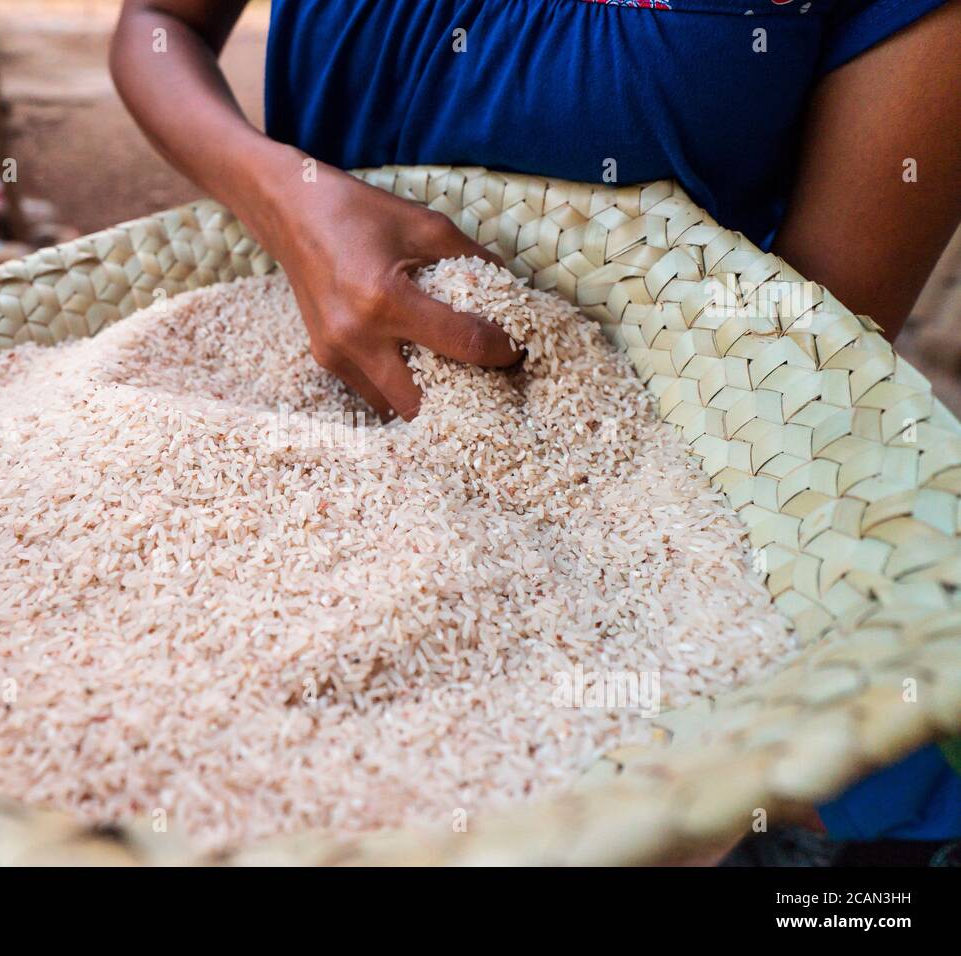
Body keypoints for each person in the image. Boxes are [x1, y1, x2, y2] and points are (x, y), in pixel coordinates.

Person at [109, 0, 961, 855]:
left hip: (643, 556)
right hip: (280, 466)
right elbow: (157, 26)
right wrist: (288, 201)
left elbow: (792, 380)